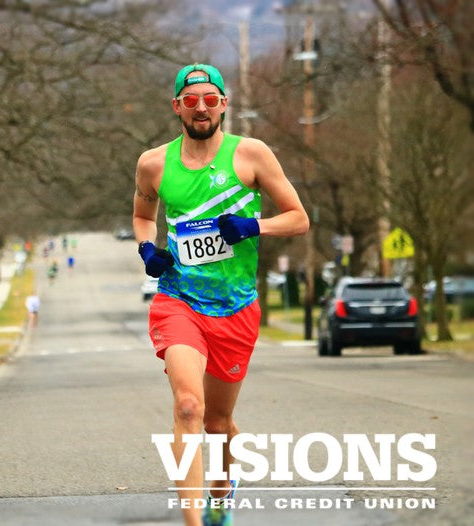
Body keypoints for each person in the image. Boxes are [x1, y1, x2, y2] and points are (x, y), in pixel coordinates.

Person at [132, 64, 308, 526]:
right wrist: (148, 248)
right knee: (189, 406)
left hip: (236, 307)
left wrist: (254, 226)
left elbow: (298, 218)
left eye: (210, 99)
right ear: (177, 107)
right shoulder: (154, 164)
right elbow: (143, 217)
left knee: (218, 423)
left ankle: (220, 495)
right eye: (191, 100)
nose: (201, 108)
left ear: (224, 104)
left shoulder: (251, 155)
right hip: (180, 300)